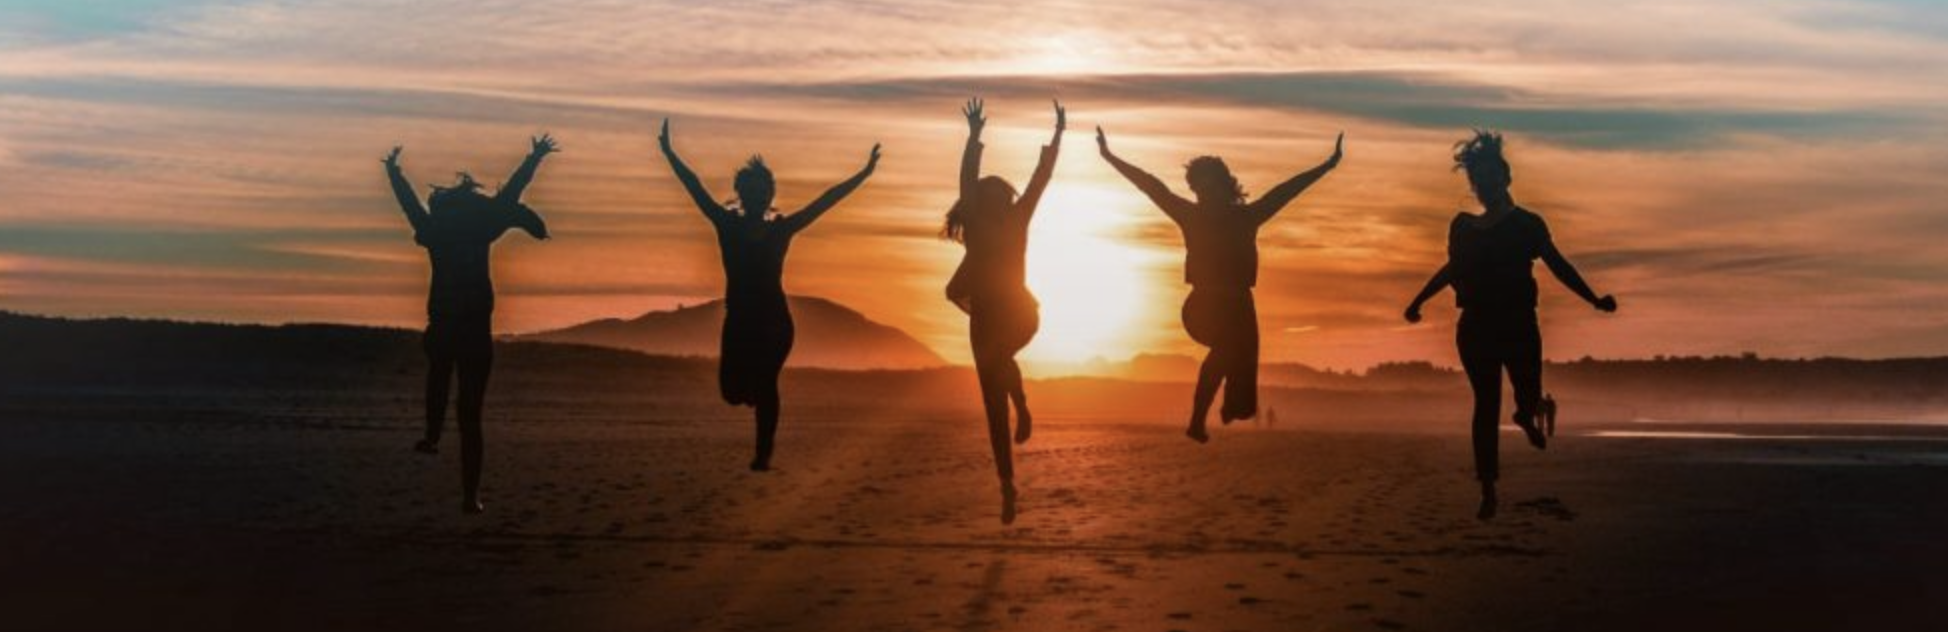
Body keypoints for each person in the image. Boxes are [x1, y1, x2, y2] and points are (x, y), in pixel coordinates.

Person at [1403, 129, 1617, 520]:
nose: (1484, 186)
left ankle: (1525, 414)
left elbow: (1557, 264)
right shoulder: (1463, 226)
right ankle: (1488, 488)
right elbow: (1453, 269)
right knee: (1485, 403)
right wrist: (1418, 300)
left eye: (1490, 179)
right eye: (1477, 182)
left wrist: (1593, 299)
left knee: (1529, 390)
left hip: (1519, 322)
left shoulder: (1528, 225)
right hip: (1476, 326)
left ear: (1506, 179)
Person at [658, 119, 880, 471]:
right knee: (732, 393)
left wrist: (864, 173)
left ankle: (763, 454)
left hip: (775, 322)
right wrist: (669, 153)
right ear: (741, 192)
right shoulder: (726, 223)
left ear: (770, 195)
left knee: (766, 383)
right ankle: (755, 401)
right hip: (739, 320)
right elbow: (695, 187)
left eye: (764, 190)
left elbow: (825, 202)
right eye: (752, 189)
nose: (759, 195)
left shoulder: (782, 229)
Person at [1097, 125, 1342, 443]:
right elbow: (1151, 186)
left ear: (1222, 185)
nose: (1201, 192)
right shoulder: (1190, 214)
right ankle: (1197, 420)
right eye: (1197, 186)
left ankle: (1229, 407)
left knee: (1241, 372)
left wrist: (1327, 165)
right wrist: (1110, 156)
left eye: (1207, 184)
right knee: (1226, 348)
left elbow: (1285, 191)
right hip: (1203, 306)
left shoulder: (1247, 217)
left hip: (1239, 305)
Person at [384, 135, 556, 514]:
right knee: (470, 417)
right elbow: (510, 195)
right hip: (475, 332)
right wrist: (534, 157)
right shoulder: (478, 230)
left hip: (446, 326)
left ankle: (431, 437)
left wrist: (393, 173)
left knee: (439, 378)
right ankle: (469, 496)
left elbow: (410, 205)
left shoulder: (437, 233)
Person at [943, 98, 1063, 524]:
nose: (995, 198)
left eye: (998, 194)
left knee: (998, 361)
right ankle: (1007, 486)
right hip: (985, 322)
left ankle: (1023, 403)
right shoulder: (976, 224)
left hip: (1020, 313)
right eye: (986, 195)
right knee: (993, 408)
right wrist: (974, 138)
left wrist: (1057, 138)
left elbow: (1039, 182)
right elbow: (966, 181)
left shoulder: (1017, 219)